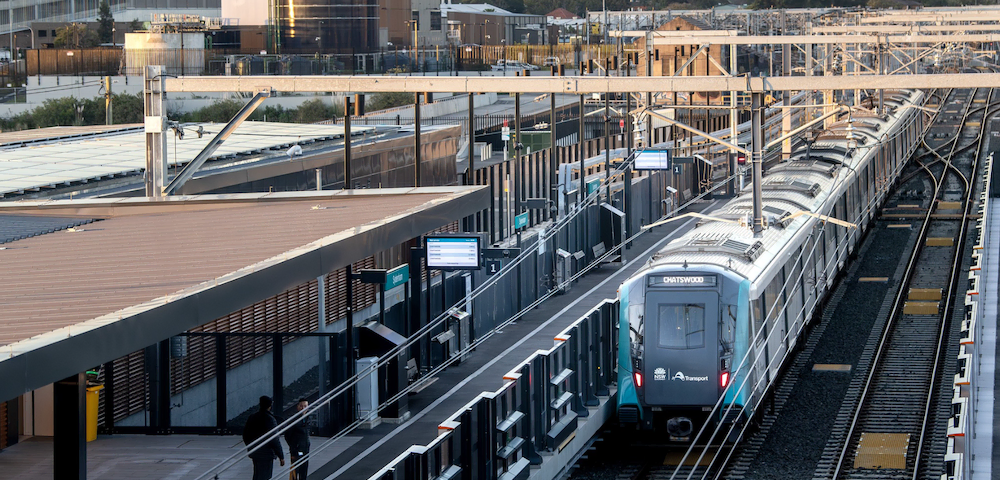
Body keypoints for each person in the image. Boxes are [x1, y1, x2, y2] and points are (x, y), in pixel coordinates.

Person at [243, 396, 285, 480]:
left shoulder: (252, 417)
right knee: (265, 476)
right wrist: (281, 456)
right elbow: (274, 439)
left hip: (255, 451)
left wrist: (251, 446)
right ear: (270, 406)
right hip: (266, 454)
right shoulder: (270, 419)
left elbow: (245, 434)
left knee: (257, 475)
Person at [283, 399, 312, 480]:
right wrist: (293, 448)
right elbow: (288, 435)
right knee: (295, 470)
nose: (303, 408)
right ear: (297, 407)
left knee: (304, 469)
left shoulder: (307, 418)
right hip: (296, 449)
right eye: (301, 406)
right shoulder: (294, 420)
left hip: (305, 448)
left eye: (305, 406)